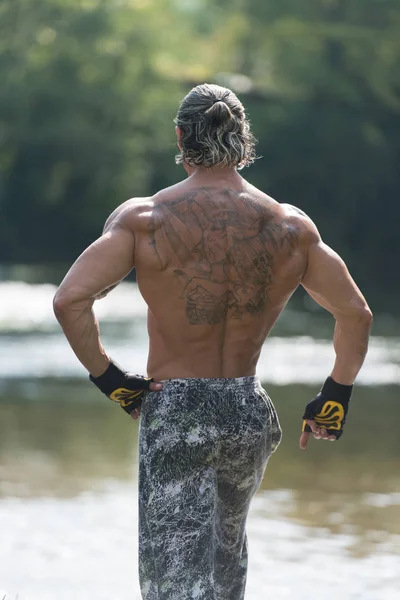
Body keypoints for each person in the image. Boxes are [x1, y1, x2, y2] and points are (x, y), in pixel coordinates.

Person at [53, 83, 372, 600]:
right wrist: (335, 397)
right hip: (247, 410)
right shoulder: (291, 226)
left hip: (177, 410)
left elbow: (70, 301)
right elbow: (355, 314)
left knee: (172, 583)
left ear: (181, 136)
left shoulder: (145, 219)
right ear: (242, 138)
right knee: (226, 572)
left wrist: (113, 382)